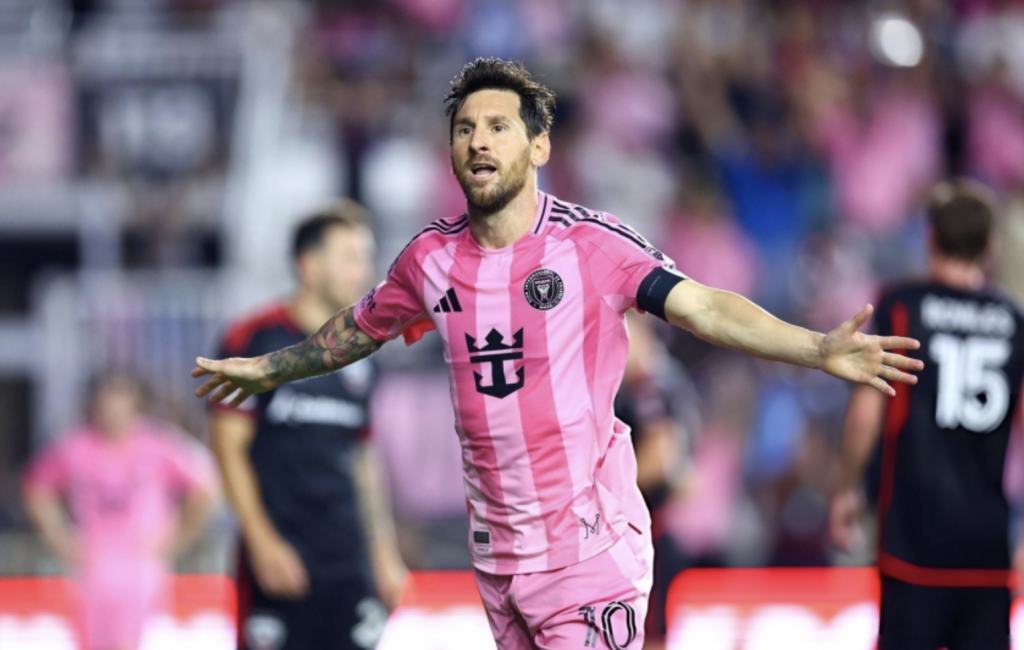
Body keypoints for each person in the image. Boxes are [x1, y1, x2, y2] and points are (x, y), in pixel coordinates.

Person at [193, 58, 922, 650]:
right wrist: (269, 368)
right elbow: (355, 331)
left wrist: (815, 347)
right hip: (498, 560)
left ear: (538, 147)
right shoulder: (428, 261)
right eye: (465, 129)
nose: (479, 142)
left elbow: (703, 306)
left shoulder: (590, 244)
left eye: (498, 127)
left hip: (588, 555)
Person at [830, 179, 1024, 650]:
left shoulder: (901, 307)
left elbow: (865, 415)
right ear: (991, 245)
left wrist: (848, 487)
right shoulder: (1014, 320)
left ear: (930, 236)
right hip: (986, 544)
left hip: (912, 538)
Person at [208, 202, 406, 650]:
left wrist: (384, 553)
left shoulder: (363, 352)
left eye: (365, 257)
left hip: (348, 561)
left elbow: (362, 459)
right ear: (309, 265)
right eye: (349, 257)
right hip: (281, 560)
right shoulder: (254, 341)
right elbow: (227, 449)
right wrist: (262, 542)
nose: (363, 270)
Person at [23, 370, 216, 650]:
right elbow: (36, 487)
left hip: (142, 566)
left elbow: (204, 488)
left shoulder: (159, 444)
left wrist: (176, 537)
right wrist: (60, 538)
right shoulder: (76, 447)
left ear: (137, 404)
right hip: (92, 566)